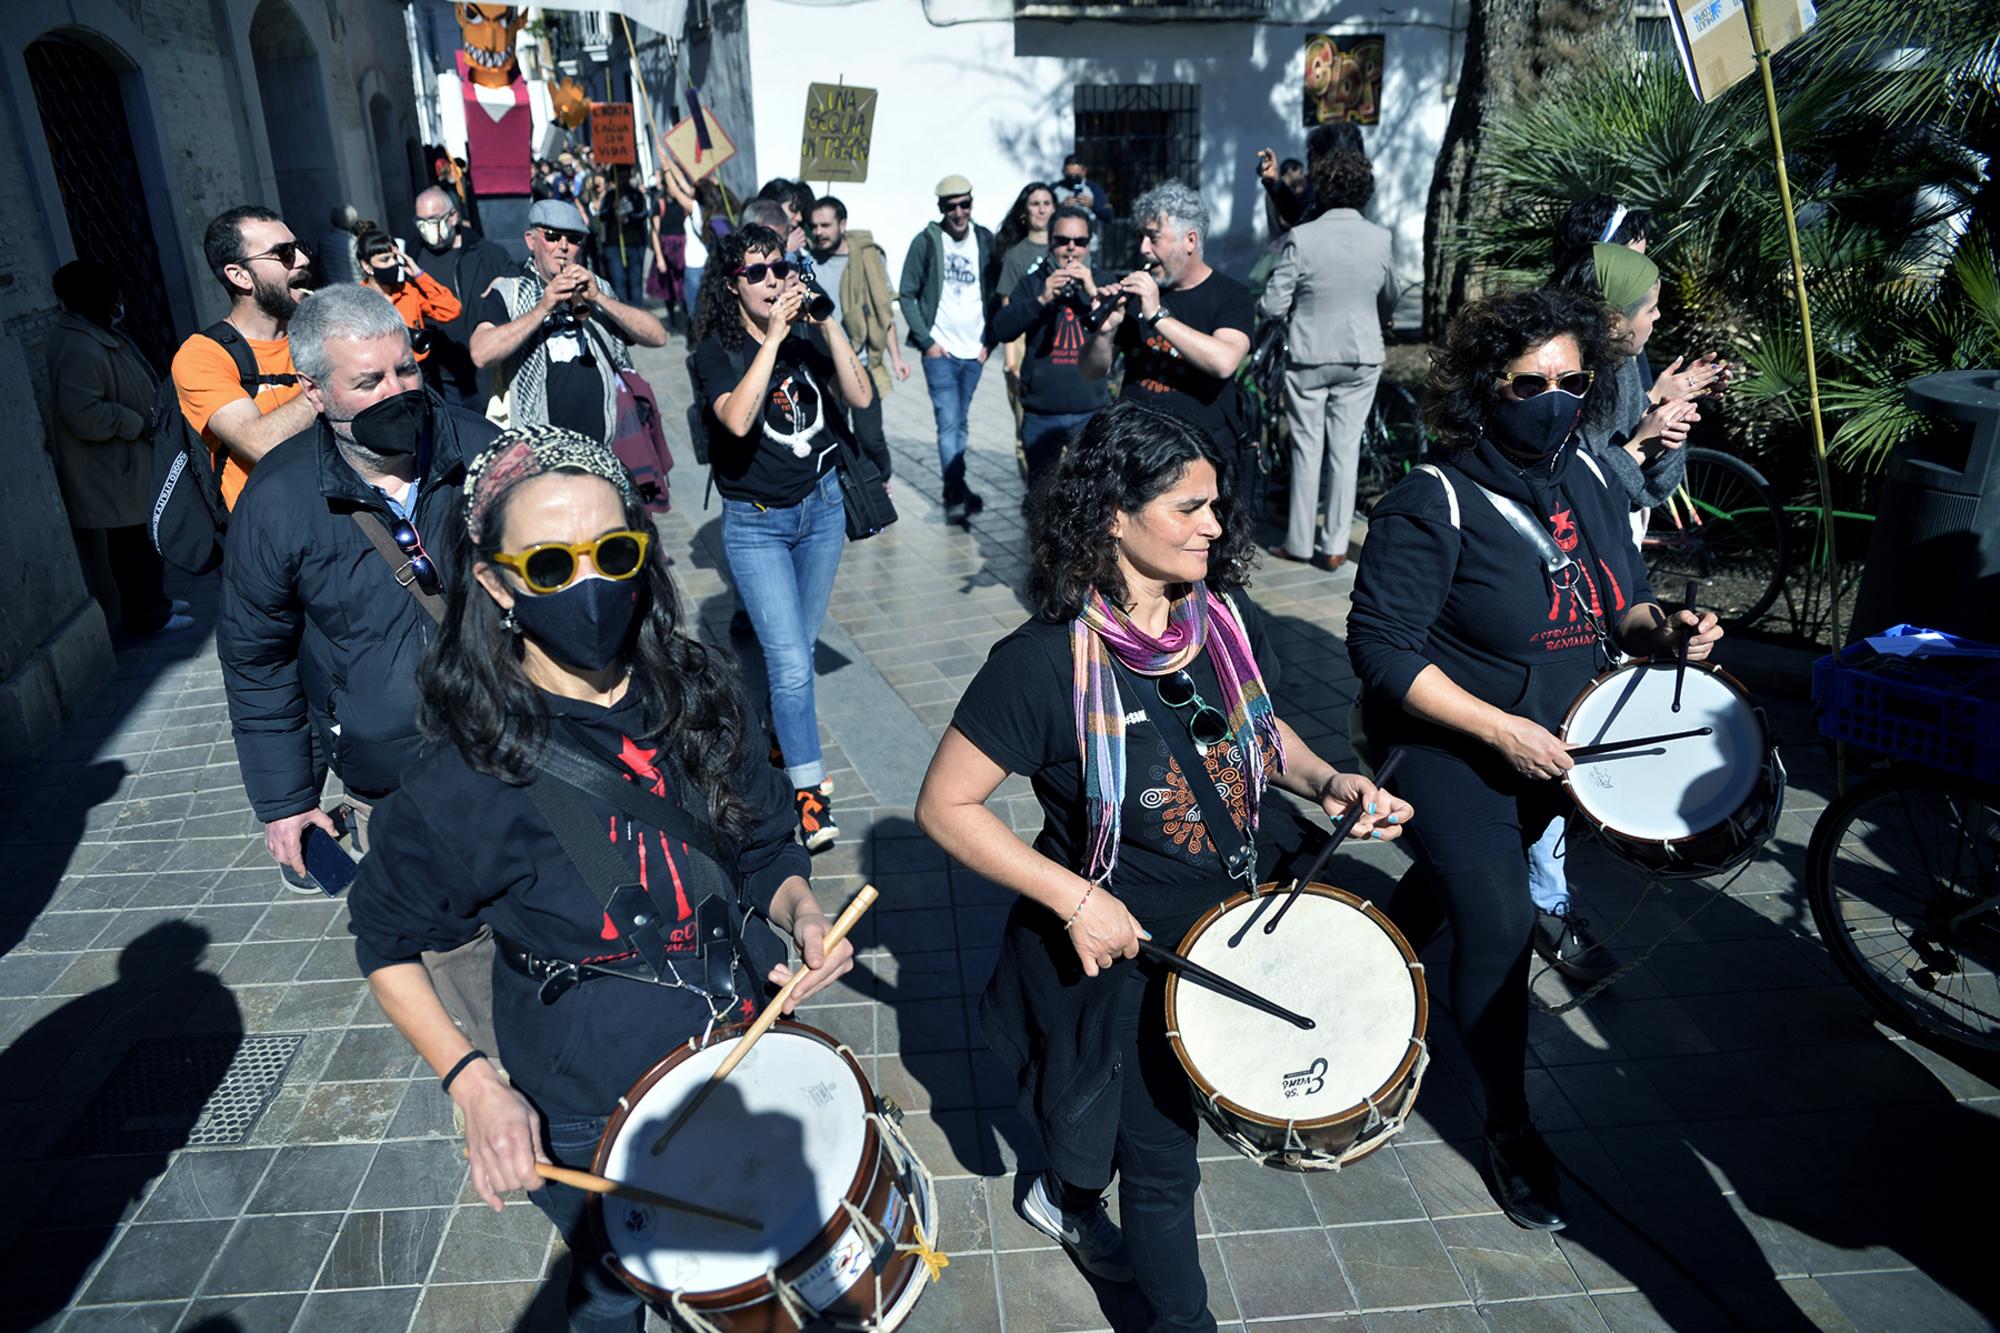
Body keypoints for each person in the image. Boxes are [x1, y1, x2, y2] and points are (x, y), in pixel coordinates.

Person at [347, 425, 855, 1333]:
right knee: (613, 1291)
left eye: (612, 552)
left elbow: (769, 843)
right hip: (586, 1105)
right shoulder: (458, 773)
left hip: (737, 1050)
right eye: (549, 565)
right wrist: (474, 1084)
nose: (589, 585)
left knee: (751, 1275)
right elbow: (385, 941)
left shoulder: (699, 692)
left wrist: (803, 912)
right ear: (497, 583)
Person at [915, 401, 1410, 1330]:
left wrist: (1325, 779)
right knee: (1158, 1159)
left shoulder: (1217, 620)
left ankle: (1065, 1190)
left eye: (1216, 505)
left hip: (1234, 931)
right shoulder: (1039, 666)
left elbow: (1257, 738)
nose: (1214, 527)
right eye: (1189, 507)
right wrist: (1074, 897)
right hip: (1134, 956)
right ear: (1114, 513)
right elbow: (943, 805)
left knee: (1132, 1139)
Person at [1347, 287, 1723, 1232]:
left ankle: (1373, 950)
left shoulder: (1592, 481)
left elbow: (1621, 605)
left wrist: (1665, 629)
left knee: (1453, 886)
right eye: (1530, 381)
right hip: (1447, 748)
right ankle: (1510, 1126)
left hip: (1557, 746)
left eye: (1573, 380)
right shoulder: (1431, 499)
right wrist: (1493, 727)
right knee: (1503, 920)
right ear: (1486, 388)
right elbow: (1383, 649)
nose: (1554, 398)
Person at [217, 283, 496, 893]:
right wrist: (286, 800)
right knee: (448, 954)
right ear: (314, 391)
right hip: (392, 781)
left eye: (405, 370)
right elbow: (257, 659)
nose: (396, 392)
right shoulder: (277, 502)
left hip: (511, 745)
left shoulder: (485, 453)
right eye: (368, 382)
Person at [691, 223, 874, 851]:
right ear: (731, 284)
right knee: (793, 666)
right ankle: (810, 791)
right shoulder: (715, 351)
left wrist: (827, 324)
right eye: (756, 272)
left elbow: (861, 394)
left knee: (792, 653)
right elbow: (738, 420)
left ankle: (774, 740)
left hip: (821, 513)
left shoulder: (806, 336)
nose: (772, 280)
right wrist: (772, 339)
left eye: (779, 267)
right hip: (756, 524)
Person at [1258, 149, 1398, 571]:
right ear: (1364, 190)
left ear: (1321, 186)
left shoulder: (1304, 237)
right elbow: (1389, 296)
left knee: (1306, 446)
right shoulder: (1381, 238)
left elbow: (1272, 305)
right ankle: (1334, 545)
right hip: (1361, 353)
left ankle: (1299, 542)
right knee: (1345, 448)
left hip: (1309, 354)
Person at [47, 260, 189, 636]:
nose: (120, 302)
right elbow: (83, 413)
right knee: (132, 551)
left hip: (125, 465)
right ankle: (146, 615)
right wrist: (136, 424)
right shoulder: (80, 346)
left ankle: (155, 603)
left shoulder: (98, 334)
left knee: (143, 543)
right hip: (113, 469)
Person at [470, 198, 668, 445]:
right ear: (531, 241)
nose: (563, 247)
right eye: (552, 236)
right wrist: (542, 308)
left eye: (573, 239)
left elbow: (658, 336)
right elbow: (481, 353)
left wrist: (600, 299)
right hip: (540, 450)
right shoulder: (508, 292)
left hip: (607, 445)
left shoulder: (596, 287)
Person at [1081, 181, 1253, 459]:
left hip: (1201, 455)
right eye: (1142, 237)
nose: (1144, 249)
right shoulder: (1139, 292)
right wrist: (1105, 332)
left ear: (1190, 241)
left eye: (1154, 238)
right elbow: (1091, 371)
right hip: (1135, 447)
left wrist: (1157, 315)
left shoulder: (1232, 296)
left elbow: (1224, 362)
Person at [172, 205, 318, 509]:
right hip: (277, 540)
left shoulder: (320, 331)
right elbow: (261, 444)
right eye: (284, 253)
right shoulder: (202, 355)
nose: (303, 260)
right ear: (240, 275)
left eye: (300, 248)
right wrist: (337, 376)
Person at [988, 204, 1112, 492]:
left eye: (1079, 242)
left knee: (1092, 494)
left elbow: (1120, 327)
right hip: (1042, 412)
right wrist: (1042, 299)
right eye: (1062, 241)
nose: (1071, 249)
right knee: (1042, 495)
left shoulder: (1103, 282)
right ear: (1050, 242)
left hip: (1090, 411)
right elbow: (1002, 328)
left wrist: (1092, 292)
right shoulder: (1033, 282)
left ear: (1087, 244)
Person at [899, 173, 996, 526]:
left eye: (964, 204)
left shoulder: (985, 240)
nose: (958, 213)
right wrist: (927, 343)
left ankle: (953, 485)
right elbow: (906, 293)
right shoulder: (926, 241)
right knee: (949, 421)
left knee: (960, 421)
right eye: (951, 206)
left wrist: (991, 343)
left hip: (975, 350)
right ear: (941, 208)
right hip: (940, 350)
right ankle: (956, 491)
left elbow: (997, 293)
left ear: (972, 203)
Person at [808, 194, 913, 479]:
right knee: (837, 435)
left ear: (842, 224)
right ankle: (852, 488)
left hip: (861, 363)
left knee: (871, 437)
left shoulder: (867, 258)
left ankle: (883, 479)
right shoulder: (808, 263)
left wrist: (897, 358)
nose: (818, 232)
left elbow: (883, 314)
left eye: (825, 225)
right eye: (814, 226)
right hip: (826, 365)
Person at [412, 186, 515, 410]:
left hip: (485, 374)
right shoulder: (413, 258)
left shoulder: (489, 255)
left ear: (453, 217)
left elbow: (518, 300)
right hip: (439, 376)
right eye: (421, 222)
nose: (427, 229)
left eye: (433, 220)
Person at [991, 182, 1057, 466]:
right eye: (1035, 204)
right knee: (1024, 426)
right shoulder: (1017, 254)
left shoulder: (1069, 246)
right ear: (1024, 211)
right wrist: (1010, 363)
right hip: (1022, 343)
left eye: (1046, 203)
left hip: (1058, 339)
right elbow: (1008, 308)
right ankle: (1032, 493)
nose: (1041, 210)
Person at [354, 222, 462, 377]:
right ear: (367, 266)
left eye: (395, 258)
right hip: (384, 377)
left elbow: (451, 310)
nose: (394, 264)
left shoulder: (408, 291)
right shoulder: (356, 300)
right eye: (385, 260)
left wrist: (419, 275)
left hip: (421, 371)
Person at [1257, 123, 1365, 235]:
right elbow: (1298, 215)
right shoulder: (1318, 190)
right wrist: (1274, 181)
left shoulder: (1342, 199)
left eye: (1315, 155)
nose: (1310, 164)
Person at [592, 165, 653, 308]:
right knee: (619, 282)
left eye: (625, 176)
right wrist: (612, 210)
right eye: (620, 177)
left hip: (634, 244)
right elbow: (601, 216)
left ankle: (637, 313)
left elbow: (644, 215)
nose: (623, 180)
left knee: (636, 283)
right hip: (614, 245)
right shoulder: (610, 195)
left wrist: (629, 216)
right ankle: (624, 312)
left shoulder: (636, 194)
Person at [1057, 152, 1116, 229]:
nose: (1073, 179)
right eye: (1070, 176)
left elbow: (1109, 216)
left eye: (1077, 176)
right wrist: (1060, 207)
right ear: (1063, 171)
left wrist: (1092, 204)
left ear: (1084, 172)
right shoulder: (1056, 189)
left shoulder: (1094, 189)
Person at [317, 203, 363, 288]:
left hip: (331, 288)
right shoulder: (354, 243)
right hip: (354, 289)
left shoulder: (323, 240)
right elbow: (361, 270)